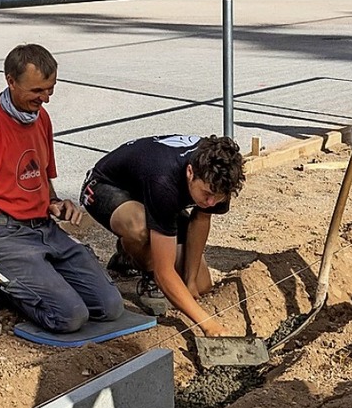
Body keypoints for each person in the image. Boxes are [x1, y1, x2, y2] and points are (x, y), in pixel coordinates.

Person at [0, 43, 123, 333]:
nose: (45, 99)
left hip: (44, 229)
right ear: (10, 81)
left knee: (110, 307)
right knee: (70, 317)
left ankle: (27, 280)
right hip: (2, 235)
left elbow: (39, 176)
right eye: (37, 91)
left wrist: (56, 202)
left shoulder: (40, 118)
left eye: (50, 89)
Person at [80, 135, 245, 335]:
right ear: (190, 172)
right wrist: (208, 325)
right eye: (207, 194)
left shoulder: (221, 173)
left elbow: (201, 219)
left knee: (202, 286)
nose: (211, 202)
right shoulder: (164, 181)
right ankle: (141, 264)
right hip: (105, 187)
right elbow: (164, 271)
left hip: (151, 193)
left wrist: (190, 280)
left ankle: (128, 255)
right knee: (139, 228)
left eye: (217, 198)